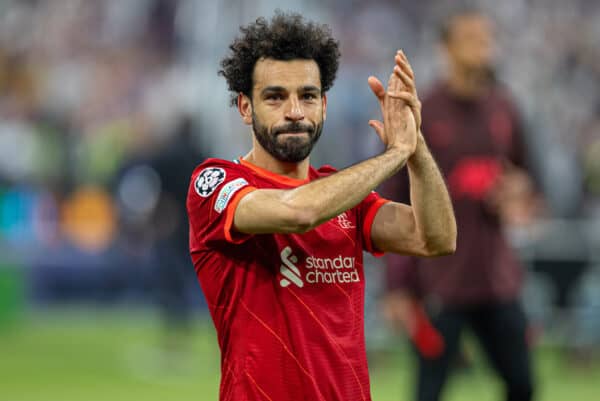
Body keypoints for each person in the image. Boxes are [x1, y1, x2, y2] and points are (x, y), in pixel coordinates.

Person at [186, 11, 456, 401]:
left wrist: (417, 149)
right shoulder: (216, 183)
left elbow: (436, 238)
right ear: (245, 108)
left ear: (324, 106)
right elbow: (299, 213)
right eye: (275, 96)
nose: (295, 111)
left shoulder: (343, 194)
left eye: (308, 96)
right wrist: (394, 154)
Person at [382, 8, 538, 401]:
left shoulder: (505, 107)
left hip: (497, 280)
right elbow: (390, 200)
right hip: (437, 281)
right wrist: (397, 286)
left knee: (523, 383)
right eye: (470, 39)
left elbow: (529, 180)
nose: (482, 48)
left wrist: (517, 193)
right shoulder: (424, 111)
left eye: (486, 39)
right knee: (428, 391)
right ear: (446, 47)